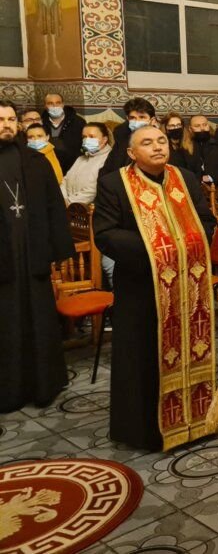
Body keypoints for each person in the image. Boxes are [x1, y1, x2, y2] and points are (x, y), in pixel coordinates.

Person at [94, 125, 217, 452]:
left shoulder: (185, 179)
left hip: (189, 288)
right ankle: (146, 431)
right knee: (142, 355)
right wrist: (157, 247)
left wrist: (189, 242)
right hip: (141, 288)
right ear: (132, 153)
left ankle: (198, 420)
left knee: (193, 347)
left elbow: (206, 221)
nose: (158, 147)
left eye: (161, 140)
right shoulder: (114, 184)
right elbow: (105, 234)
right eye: (147, 143)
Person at [0, 100, 74, 413]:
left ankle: (44, 384)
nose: (6, 124)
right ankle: (8, 390)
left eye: (9, 119)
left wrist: (60, 249)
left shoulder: (35, 159)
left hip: (33, 252)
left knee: (39, 318)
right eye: (0, 119)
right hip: (3, 256)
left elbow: (54, 206)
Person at [101, 98, 157, 176]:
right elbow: (107, 168)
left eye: (142, 117)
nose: (137, 121)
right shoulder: (121, 140)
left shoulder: (159, 143)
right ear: (128, 119)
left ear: (152, 121)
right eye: (132, 118)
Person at [62, 122, 112, 205]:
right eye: (84, 137)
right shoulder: (80, 158)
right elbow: (65, 180)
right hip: (68, 208)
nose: (86, 140)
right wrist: (63, 199)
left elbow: (93, 190)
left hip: (89, 211)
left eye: (91, 136)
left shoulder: (109, 160)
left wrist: (69, 202)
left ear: (104, 139)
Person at [42, 92, 85, 173]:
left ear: (63, 105)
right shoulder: (40, 123)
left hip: (73, 168)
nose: (55, 106)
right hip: (48, 167)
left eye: (58, 103)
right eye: (50, 103)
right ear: (45, 106)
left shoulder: (78, 122)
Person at [188, 114, 218, 185]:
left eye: (204, 125)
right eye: (197, 126)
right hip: (194, 185)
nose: (202, 128)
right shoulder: (186, 146)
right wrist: (199, 178)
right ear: (190, 129)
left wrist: (211, 177)